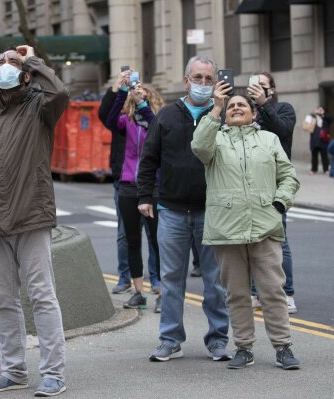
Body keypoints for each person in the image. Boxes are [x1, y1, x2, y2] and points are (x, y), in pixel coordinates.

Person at [0, 45, 69, 396]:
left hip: (30, 215)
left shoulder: (40, 106)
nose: (5, 67)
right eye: (1, 63)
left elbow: (61, 92)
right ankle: (13, 370)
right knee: (3, 299)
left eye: (13, 63)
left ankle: (53, 372)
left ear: (25, 73)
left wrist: (34, 59)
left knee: (42, 296)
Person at [191, 90, 301, 370]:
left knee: (273, 291)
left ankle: (283, 347)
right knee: (237, 293)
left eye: (242, 105)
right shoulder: (214, 138)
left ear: (253, 113)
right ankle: (243, 347)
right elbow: (198, 147)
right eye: (231, 106)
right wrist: (215, 108)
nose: (236, 108)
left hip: (265, 226)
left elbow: (288, 176)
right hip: (227, 230)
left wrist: (279, 203)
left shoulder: (269, 139)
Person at [137, 55, 231, 362]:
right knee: (172, 279)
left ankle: (217, 339)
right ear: (186, 79)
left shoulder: (225, 114)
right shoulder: (166, 115)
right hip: (173, 211)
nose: (204, 84)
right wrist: (145, 196)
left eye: (209, 79)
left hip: (212, 211)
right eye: (198, 78)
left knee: (214, 282)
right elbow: (149, 158)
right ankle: (170, 338)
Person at [105, 74, 163, 314]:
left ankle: (160, 289)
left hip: (153, 187)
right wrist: (120, 92)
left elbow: (157, 126)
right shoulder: (125, 122)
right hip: (129, 185)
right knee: (132, 240)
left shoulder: (156, 119)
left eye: (143, 92)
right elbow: (109, 119)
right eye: (137, 92)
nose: (139, 93)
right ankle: (139, 292)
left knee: (157, 240)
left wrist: (142, 104)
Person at [247, 72, 298, 314]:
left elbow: (282, 132)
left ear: (272, 89)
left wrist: (264, 106)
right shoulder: (247, 111)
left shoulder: (283, 109)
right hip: (250, 185)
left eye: (262, 86)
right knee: (253, 240)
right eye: (253, 87)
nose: (256, 91)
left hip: (276, 184)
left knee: (280, 239)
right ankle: (256, 293)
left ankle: (287, 293)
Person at [98, 74, 132, 295]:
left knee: (152, 235)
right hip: (124, 182)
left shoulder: (150, 120)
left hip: (148, 185)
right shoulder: (121, 123)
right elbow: (105, 116)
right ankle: (124, 276)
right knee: (124, 233)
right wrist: (116, 90)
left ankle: (156, 279)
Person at [307, 106, 331, 175]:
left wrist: (323, 114)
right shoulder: (313, 117)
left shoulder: (325, 118)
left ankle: (326, 169)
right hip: (314, 140)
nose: (319, 111)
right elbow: (307, 122)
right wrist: (313, 113)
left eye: (321, 110)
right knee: (314, 156)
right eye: (318, 109)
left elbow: (331, 119)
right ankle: (314, 169)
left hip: (323, 140)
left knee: (324, 156)